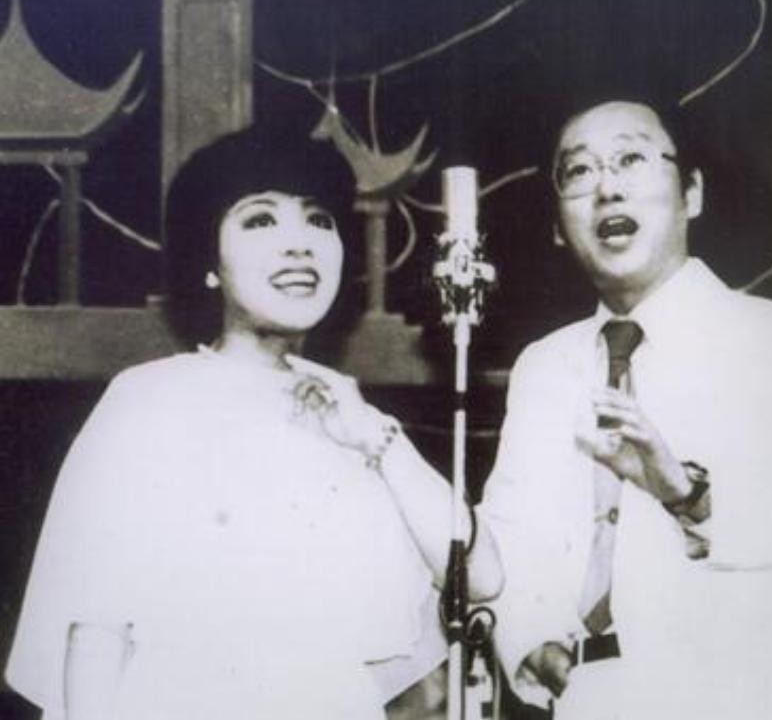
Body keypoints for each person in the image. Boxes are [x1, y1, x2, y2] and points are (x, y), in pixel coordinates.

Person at [5, 129, 502, 720]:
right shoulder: (149, 399)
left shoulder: (350, 416)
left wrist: (378, 440)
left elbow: (480, 578)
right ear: (209, 264)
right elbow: (95, 629)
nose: (299, 246)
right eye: (261, 220)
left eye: (319, 221)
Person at [479, 100, 772, 720]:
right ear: (557, 226)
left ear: (692, 193)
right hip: (589, 702)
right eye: (579, 171)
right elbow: (510, 532)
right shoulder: (543, 367)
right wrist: (532, 642)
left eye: (631, 158)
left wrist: (684, 493)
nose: (607, 187)